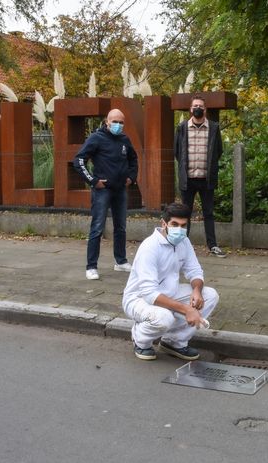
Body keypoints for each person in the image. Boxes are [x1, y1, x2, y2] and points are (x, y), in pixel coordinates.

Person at [122, 202, 219, 361]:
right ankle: (140, 340)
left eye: (183, 225)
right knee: (164, 318)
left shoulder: (184, 242)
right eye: (175, 224)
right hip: (138, 299)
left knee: (210, 295)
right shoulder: (150, 247)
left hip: (168, 293)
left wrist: (196, 291)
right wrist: (186, 309)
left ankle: (174, 341)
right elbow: (149, 293)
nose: (179, 230)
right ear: (164, 223)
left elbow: (195, 271)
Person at [74, 108, 138, 281]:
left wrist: (131, 178)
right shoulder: (96, 138)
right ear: (107, 121)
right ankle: (91, 266)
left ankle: (121, 261)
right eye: (115, 121)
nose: (118, 125)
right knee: (97, 228)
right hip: (102, 191)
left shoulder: (125, 140)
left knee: (121, 227)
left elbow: (133, 159)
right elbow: (79, 160)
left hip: (120, 190)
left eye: (121, 122)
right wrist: (93, 181)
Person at [174, 95, 226, 258]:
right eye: (195, 105)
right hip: (188, 179)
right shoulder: (182, 127)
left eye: (201, 106)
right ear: (191, 109)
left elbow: (218, 151)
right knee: (185, 213)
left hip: (206, 178)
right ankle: (183, 247)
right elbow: (177, 152)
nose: (198, 108)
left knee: (209, 213)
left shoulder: (214, 127)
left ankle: (213, 245)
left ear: (205, 109)